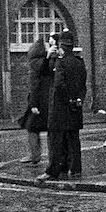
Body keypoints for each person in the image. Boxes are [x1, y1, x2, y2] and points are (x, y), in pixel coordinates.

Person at [38, 31, 85, 181]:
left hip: (60, 107)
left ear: (61, 47)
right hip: (75, 107)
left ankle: (52, 171)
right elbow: (83, 86)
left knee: (55, 140)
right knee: (73, 139)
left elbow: (58, 84)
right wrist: (77, 100)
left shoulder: (60, 62)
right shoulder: (79, 62)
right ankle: (75, 168)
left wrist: (68, 100)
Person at [17, 36, 53, 165]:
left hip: (38, 102)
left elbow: (34, 87)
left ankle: (34, 156)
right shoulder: (48, 63)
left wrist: (33, 104)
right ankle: (52, 156)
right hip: (49, 101)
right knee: (51, 130)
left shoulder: (34, 67)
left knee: (32, 128)